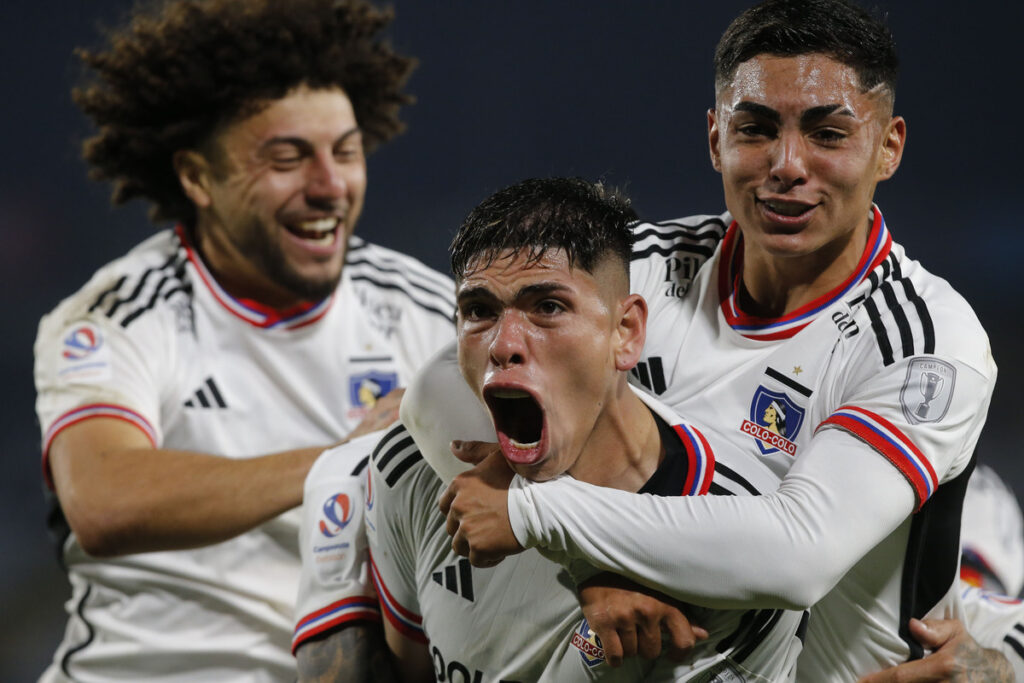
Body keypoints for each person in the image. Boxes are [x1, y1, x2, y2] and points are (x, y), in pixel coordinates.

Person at [409, 0, 1014, 680]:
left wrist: (542, 516)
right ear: (714, 139)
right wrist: (591, 570)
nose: (787, 163)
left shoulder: (926, 339)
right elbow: (434, 386)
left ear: (888, 147)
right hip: (637, 663)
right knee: (377, 472)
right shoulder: (640, 268)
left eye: (828, 134)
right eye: (755, 129)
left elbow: (799, 554)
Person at [32, 1, 454, 680]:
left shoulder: (427, 311)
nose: (329, 186)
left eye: (346, 152)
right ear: (197, 176)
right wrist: (351, 456)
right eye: (287, 158)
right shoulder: (121, 312)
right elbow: (104, 501)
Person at [298, 177, 807, 681]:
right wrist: (587, 566)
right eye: (479, 311)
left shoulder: (730, 540)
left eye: (548, 307)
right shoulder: (410, 470)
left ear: (625, 333)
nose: (504, 344)